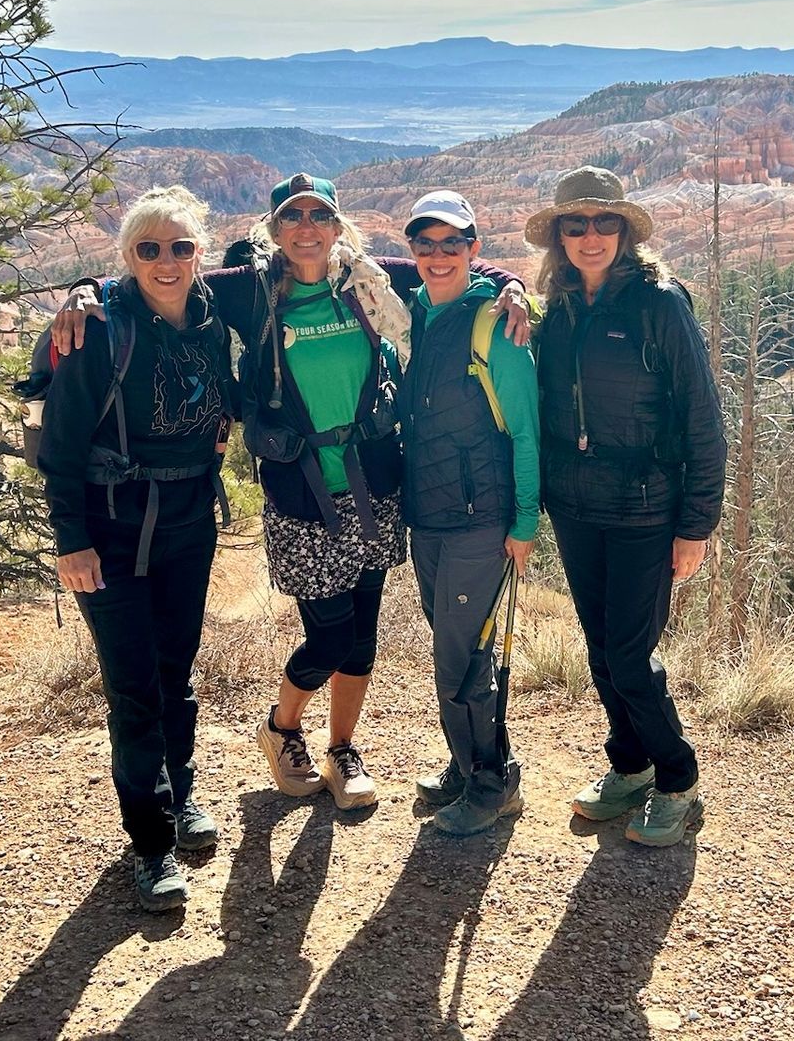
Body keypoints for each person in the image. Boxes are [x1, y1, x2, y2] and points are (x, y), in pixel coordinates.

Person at [51, 174, 526, 813]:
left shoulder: (368, 277)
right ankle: (281, 728)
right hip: (302, 494)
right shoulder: (252, 289)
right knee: (327, 637)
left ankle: (343, 750)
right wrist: (85, 292)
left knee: (361, 638)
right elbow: (157, 273)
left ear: (337, 227)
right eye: (293, 217)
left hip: (374, 482)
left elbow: (459, 263)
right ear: (274, 231)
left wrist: (514, 285)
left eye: (320, 215)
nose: (307, 228)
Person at [39, 185, 232, 912]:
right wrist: (72, 542)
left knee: (176, 674)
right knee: (133, 688)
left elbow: (322, 263)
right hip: (111, 534)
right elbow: (59, 449)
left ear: (200, 254)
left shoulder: (214, 319)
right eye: (148, 248)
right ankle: (149, 844)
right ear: (126, 257)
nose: (166, 260)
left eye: (180, 246)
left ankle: (179, 797)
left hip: (188, 524)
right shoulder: (99, 330)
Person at [526, 165, 727, 848]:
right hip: (578, 510)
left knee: (630, 655)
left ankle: (679, 780)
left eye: (603, 222)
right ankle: (630, 766)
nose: (590, 236)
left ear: (624, 231)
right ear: (559, 235)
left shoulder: (659, 303)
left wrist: (696, 525)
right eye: (575, 225)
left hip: (647, 509)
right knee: (601, 652)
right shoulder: (555, 308)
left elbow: (703, 417)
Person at [396, 190, 541, 836]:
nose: (436, 255)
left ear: (474, 249)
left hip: (482, 519)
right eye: (424, 245)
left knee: (460, 657)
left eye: (451, 243)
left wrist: (526, 522)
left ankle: (491, 783)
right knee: (456, 648)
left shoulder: (496, 326)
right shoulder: (419, 311)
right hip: (429, 517)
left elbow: (527, 432)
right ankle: (468, 763)